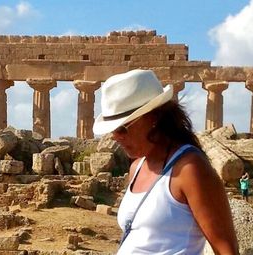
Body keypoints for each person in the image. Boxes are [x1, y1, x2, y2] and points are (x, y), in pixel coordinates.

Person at [93, 69, 239, 254]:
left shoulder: (190, 169)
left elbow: (226, 250)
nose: (115, 137)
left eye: (122, 128)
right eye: (112, 130)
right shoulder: (137, 167)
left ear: (153, 117)